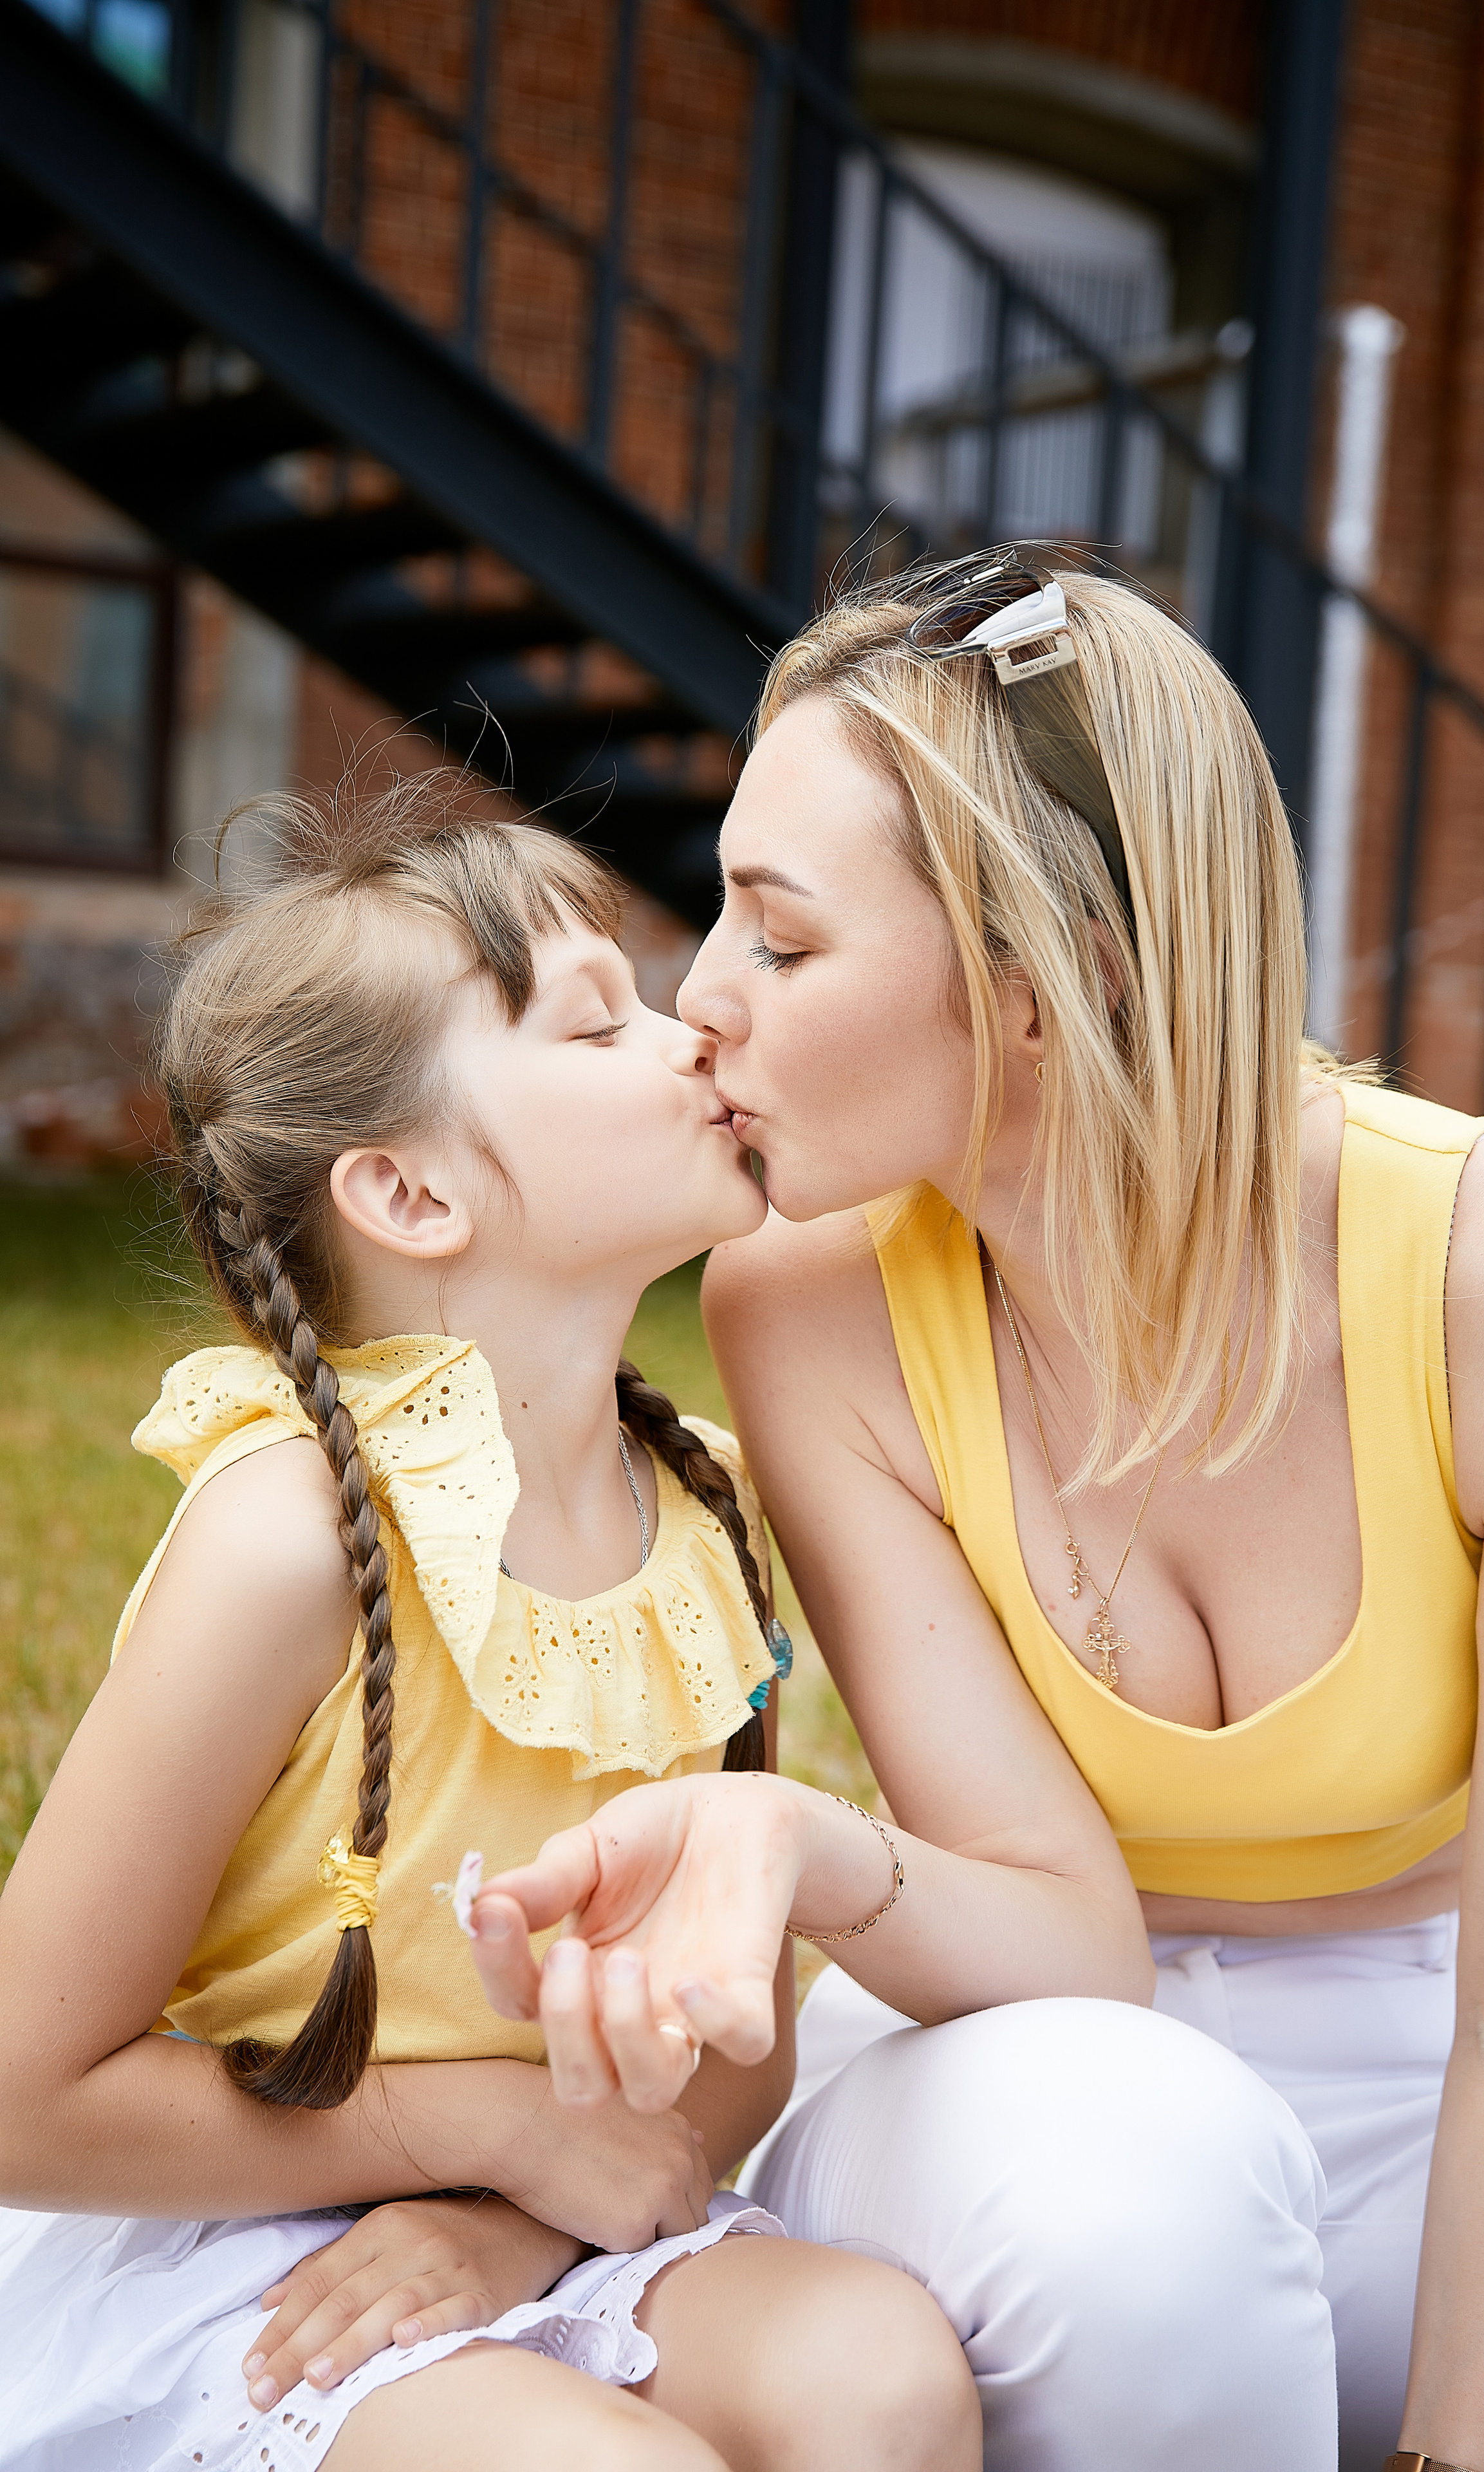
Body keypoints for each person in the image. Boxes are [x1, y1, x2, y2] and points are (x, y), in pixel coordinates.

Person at [461, 554, 1484, 2472]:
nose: (703, 1002)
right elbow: (1041, 1928)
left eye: (781, 937)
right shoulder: (807, 1304)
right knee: (1142, 2208)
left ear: (1045, 973)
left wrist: (1455, 2454)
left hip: (1436, 2082)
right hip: (1027, 2088)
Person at [0, 782, 981, 2472]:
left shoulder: (704, 1513)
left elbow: (732, 2039)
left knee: (883, 2379)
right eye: (599, 1026)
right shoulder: (293, 1541)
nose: (690, 1039)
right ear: (414, 1195)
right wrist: (485, 2127)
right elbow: (26, 2094)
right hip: (253, 2244)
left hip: (566, 2211)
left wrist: (527, 2211)